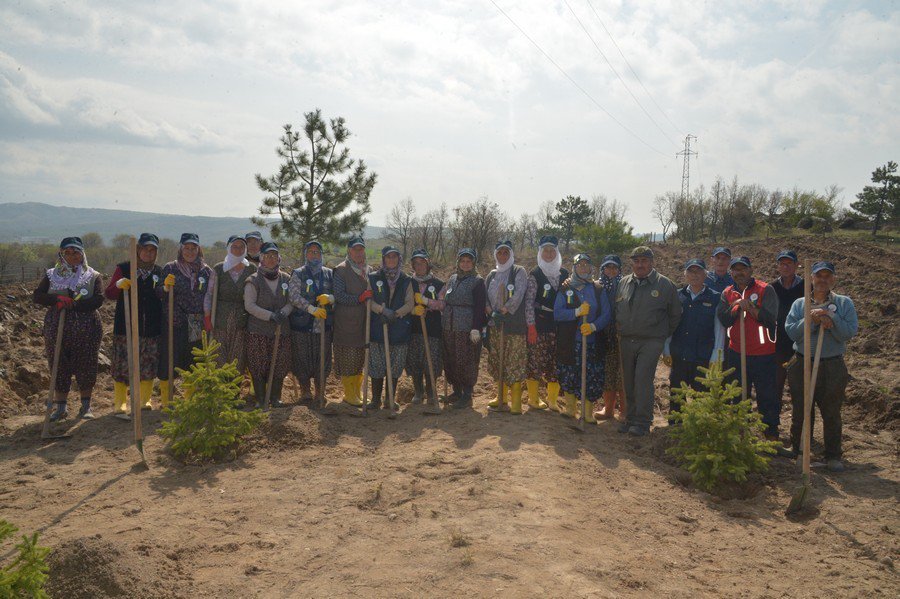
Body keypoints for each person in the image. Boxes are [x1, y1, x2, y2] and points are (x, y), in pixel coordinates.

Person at [785, 261, 858, 472]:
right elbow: (791, 332)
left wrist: (830, 318)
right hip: (802, 362)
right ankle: (800, 451)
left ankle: (833, 455)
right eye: (819, 276)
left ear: (833, 279)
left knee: (831, 411)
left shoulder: (844, 303)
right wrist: (810, 319)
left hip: (832, 365)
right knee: (802, 408)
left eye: (827, 276)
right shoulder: (800, 304)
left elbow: (848, 333)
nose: (822, 280)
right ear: (811, 278)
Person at [32, 237, 104, 421]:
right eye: (68, 252)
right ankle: (61, 408)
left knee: (86, 364)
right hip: (57, 328)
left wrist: (74, 305)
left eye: (76, 252)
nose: (72, 256)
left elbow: (98, 299)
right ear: (62, 254)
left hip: (87, 329)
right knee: (59, 364)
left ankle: (86, 406)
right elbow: (38, 296)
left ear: (82, 254)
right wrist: (56, 299)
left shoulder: (93, 275)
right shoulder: (51, 275)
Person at [615, 246, 682, 436]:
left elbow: (675, 314)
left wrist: (660, 334)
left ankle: (643, 422)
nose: (640, 264)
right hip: (627, 340)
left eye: (644, 261)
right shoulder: (624, 283)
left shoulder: (665, 285)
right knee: (628, 381)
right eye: (636, 261)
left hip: (651, 341)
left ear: (652, 262)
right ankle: (630, 418)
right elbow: (618, 309)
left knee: (642, 380)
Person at [716, 256, 781, 441]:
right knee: (737, 395)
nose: (739, 273)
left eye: (743, 269)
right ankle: (739, 433)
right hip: (737, 352)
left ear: (751, 270)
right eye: (735, 270)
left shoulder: (765, 289)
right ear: (731, 273)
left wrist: (750, 308)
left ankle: (771, 435)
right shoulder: (727, 293)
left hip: (763, 353)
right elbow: (724, 318)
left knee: (767, 396)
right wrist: (737, 307)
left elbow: (770, 317)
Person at [105, 233, 164, 418]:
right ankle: (120, 403)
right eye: (145, 249)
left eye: (152, 250)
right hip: (126, 326)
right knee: (123, 365)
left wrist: (167, 289)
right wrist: (118, 285)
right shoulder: (124, 268)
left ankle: (144, 400)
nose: (149, 253)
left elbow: (163, 296)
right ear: (138, 250)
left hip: (151, 327)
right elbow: (109, 293)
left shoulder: (159, 272)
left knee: (148, 364)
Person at [156, 233, 215, 406]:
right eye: (186, 248)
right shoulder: (170, 268)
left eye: (193, 248)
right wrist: (166, 287)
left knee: (193, 360)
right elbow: (158, 292)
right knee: (169, 357)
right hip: (173, 319)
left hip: (196, 321)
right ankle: (168, 400)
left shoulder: (206, 271)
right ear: (181, 249)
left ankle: (190, 399)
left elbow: (210, 296)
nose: (190, 252)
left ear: (199, 249)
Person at [553, 254, 611, 422]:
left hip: (592, 342)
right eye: (580, 265)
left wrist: (593, 326)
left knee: (591, 376)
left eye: (586, 265)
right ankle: (571, 409)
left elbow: (606, 314)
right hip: (570, 342)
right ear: (574, 268)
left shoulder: (598, 289)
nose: (583, 268)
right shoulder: (566, 288)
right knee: (570, 373)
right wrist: (576, 312)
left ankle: (586, 412)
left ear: (591, 267)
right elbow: (557, 313)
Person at [662, 258, 725, 412]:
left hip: (703, 357)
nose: (695, 275)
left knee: (702, 397)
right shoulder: (677, 296)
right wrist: (666, 350)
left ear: (706, 275)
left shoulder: (716, 297)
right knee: (677, 396)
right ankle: (675, 429)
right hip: (679, 355)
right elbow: (670, 325)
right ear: (685, 274)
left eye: (699, 271)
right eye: (691, 271)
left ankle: (699, 431)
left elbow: (719, 329)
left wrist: (717, 356)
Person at [243, 242, 293, 408]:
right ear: (261, 259)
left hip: (281, 330)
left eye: (274, 256)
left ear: (278, 258)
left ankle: (276, 398)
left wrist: (283, 313)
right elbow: (249, 305)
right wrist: (270, 316)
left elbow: (291, 301)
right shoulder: (253, 280)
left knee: (280, 363)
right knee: (258, 365)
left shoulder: (286, 278)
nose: (271, 259)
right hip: (258, 330)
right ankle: (260, 399)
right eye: (267, 256)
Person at [524, 235, 568, 412]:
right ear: (540, 253)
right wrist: (531, 326)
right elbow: (528, 301)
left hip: (560, 326)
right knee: (535, 361)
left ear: (556, 252)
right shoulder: (535, 274)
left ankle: (552, 401)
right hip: (540, 324)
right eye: (545, 251)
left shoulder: (564, 274)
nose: (549, 254)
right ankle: (534, 399)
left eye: (552, 250)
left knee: (556, 363)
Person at [367, 246, 414, 410]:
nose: (391, 260)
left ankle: (389, 399)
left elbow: (410, 303)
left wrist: (396, 313)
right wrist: (382, 310)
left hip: (399, 328)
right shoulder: (373, 277)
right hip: (378, 327)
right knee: (377, 366)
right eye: (388, 257)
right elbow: (369, 300)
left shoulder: (406, 279)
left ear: (399, 259)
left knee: (394, 367)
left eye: (395, 257)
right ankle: (375, 400)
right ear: (383, 259)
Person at [439, 248, 487, 409]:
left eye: (468, 261)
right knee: (451, 358)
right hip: (449, 325)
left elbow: (480, 307)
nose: (465, 264)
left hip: (466, 327)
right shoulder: (453, 279)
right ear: (458, 262)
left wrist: (476, 328)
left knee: (465, 360)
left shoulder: (478, 281)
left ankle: (467, 394)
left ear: (473, 263)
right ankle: (456, 391)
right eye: (462, 261)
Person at [485, 240, 528, 414]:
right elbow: (485, 296)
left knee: (514, 361)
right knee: (498, 359)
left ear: (511, 254)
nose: (502, 256)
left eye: (506, 252)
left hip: (514, 326)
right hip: (495, 325)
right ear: (495, 255)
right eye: (499, 253)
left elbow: (519, 293)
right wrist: (489, 310)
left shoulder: (519, 271)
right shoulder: (491, 275)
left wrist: (505, 309)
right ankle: (500, 396)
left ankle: (516, 402)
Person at [288, 240, 333, 404]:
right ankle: (305, 391)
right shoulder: (298, 273)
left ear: (321, 255)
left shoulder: (329, 273)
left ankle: (320, 392)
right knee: (302, 359)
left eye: (317, 252)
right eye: (311, 252)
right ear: (306, 254)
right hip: (302, 325)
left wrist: (331, 298)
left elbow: (337, 294)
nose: (314, 255)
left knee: (323, 359)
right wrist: (310, 308)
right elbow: (293, 296)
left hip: (323, 326)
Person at [332, 237, 372, 406]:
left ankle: (357, 392)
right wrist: (359, 298)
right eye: (355, 249)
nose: (358, 252)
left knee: (359, 358)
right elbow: (339, 296)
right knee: (348, 358)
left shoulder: (368, 270)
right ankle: (349, 394)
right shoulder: (341, 270)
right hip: (346, 322)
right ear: (349, 251)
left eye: (361, 249)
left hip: (364, 322)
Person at [212, 235, 255, 372]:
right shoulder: (219, 269)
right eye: (234, 246)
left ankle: (234, 390)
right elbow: (210, 295)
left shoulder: (251, 269)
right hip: (220, 318)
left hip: (242, 319)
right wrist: (208, 317)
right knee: (220, 355)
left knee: (238, 357)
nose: (238, 249)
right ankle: (221, 390)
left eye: (241, 246)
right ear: (229, 248)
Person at [407, 248, 444, 404]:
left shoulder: (438, 284)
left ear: (428, 264)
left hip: (433, 329)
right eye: (416, 263)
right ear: (413, 266)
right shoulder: (408, 282)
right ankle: (418, 392)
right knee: (415, 360)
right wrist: (412, 309)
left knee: (432, 361)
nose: (420, 266)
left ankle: (430, 392)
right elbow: (402, 303)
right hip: (413, 328)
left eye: (422, 262)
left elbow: (442, 304)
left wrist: (427, 302)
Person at [594, 255, 625, 420]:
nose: (611, 271)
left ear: (619, 269)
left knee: (623, 374)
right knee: (608, 373)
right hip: (604, 334)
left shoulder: (626, 285)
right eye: (608, 267)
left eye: (614, 267)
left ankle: (625, 411)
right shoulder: (597, 286)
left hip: (623, 334)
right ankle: (608, 409)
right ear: (603, 269)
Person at [770, 250, 803, 403]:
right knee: (775, 386)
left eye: (789, 263)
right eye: (782, 264)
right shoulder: (772, 288)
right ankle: (772, 423)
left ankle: (800, 425)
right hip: (778, 344)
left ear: (796, 265)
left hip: (800, 345)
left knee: (799, 388)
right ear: (778, 266)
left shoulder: (806, 287)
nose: (785, 267)